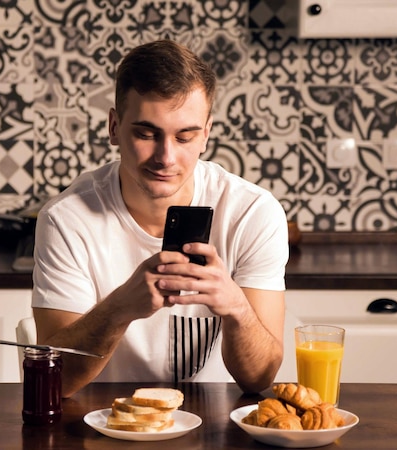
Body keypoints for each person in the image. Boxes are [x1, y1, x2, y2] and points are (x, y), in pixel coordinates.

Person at [32, 39, 289, 398]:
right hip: (105, 421)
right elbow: (55, 382)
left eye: (185, 136)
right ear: (113, 127)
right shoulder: (66, 219)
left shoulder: (252, 213)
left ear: (206, 135)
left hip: (214, 426)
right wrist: (120, 308)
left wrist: (236, 308)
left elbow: (259, 379)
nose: (166, 157)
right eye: (146, 134)